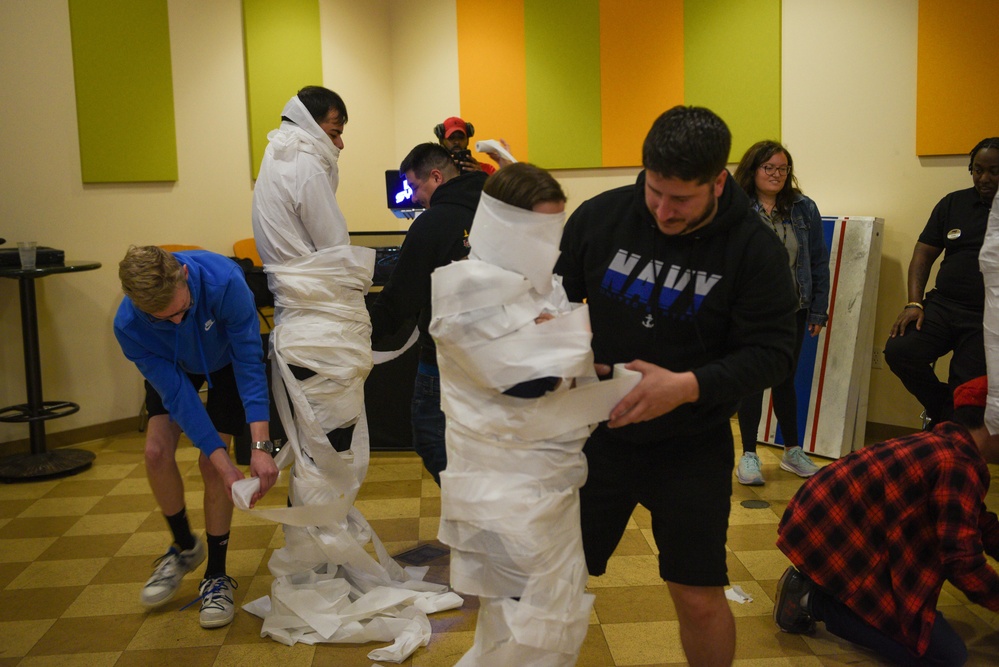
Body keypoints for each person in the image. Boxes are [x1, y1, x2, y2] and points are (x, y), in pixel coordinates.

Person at [555, 106, 799, 666]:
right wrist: (563, 347)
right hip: (597, 436)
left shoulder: (753, 249)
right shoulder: (601, 217)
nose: (663, 210)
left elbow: (774, 355)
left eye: (681, 199)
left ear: (718, 181)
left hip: (692, 444)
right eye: (654, 190)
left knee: (697, 597)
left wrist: (687, 385)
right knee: (550, 581)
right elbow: (553, 300)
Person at [431, 164, 634, 665]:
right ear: (503, 225)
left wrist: (559, 340)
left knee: (550, 601)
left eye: (554, 231)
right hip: (502, 478)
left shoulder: (544, 286)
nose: (549, 247)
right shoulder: (467, 287)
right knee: (531, 610)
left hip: (554, 475)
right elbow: (525, 382)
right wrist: (566, 343)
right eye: (538, 232)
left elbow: (564, 361)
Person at [774, 375, 999, 666]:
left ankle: (821, 587)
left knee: (923, 628)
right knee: (945, 656)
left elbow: (978, 522)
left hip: (821, 521)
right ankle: (810, 599)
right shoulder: (958, 464)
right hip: (826, 533)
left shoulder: (949, 447)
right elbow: (962, 562)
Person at [113, 245, 279, 629]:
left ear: (184, 276)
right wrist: (226, 465)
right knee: (155, 452)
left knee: (209, 465)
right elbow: (180, 400)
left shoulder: (225, 283)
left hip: (226, 365)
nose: (174, 321)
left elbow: (249, 365)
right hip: (173, 367)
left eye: (180, 310)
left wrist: (260, 447)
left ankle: (216, 575)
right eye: (161, 317)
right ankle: (185, 548)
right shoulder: (129, 326)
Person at [369, 142, 488, 484]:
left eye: (416, 187)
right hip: (495, 358)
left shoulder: (432, 224)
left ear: (436, 177)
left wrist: (363, 336)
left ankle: (472, 516)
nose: (416, 198)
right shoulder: (498, 211)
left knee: (432, 437)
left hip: (444, 360)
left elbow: (401, 297)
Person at [732, 141, 830, 485]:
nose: (776, 174)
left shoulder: (803, 208)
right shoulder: (735, 208)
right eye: (769, 168)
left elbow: (817, 261)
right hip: (749, 311)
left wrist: (819, 310)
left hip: (794, 309)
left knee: (785, 379)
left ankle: (792, 451)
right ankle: (747, 455)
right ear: (753, 170)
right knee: (752, 381)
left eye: (783, 168)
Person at [884, 138, 999, 426]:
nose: (984, 178)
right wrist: (914, 302)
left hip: (988, 317)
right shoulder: (953, 203)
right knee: (900, 351)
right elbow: (923, 254)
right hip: (944, 306)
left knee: (967, 388)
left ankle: (952, 425)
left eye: (994, 171)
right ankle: (944, 411)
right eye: (977, 170)